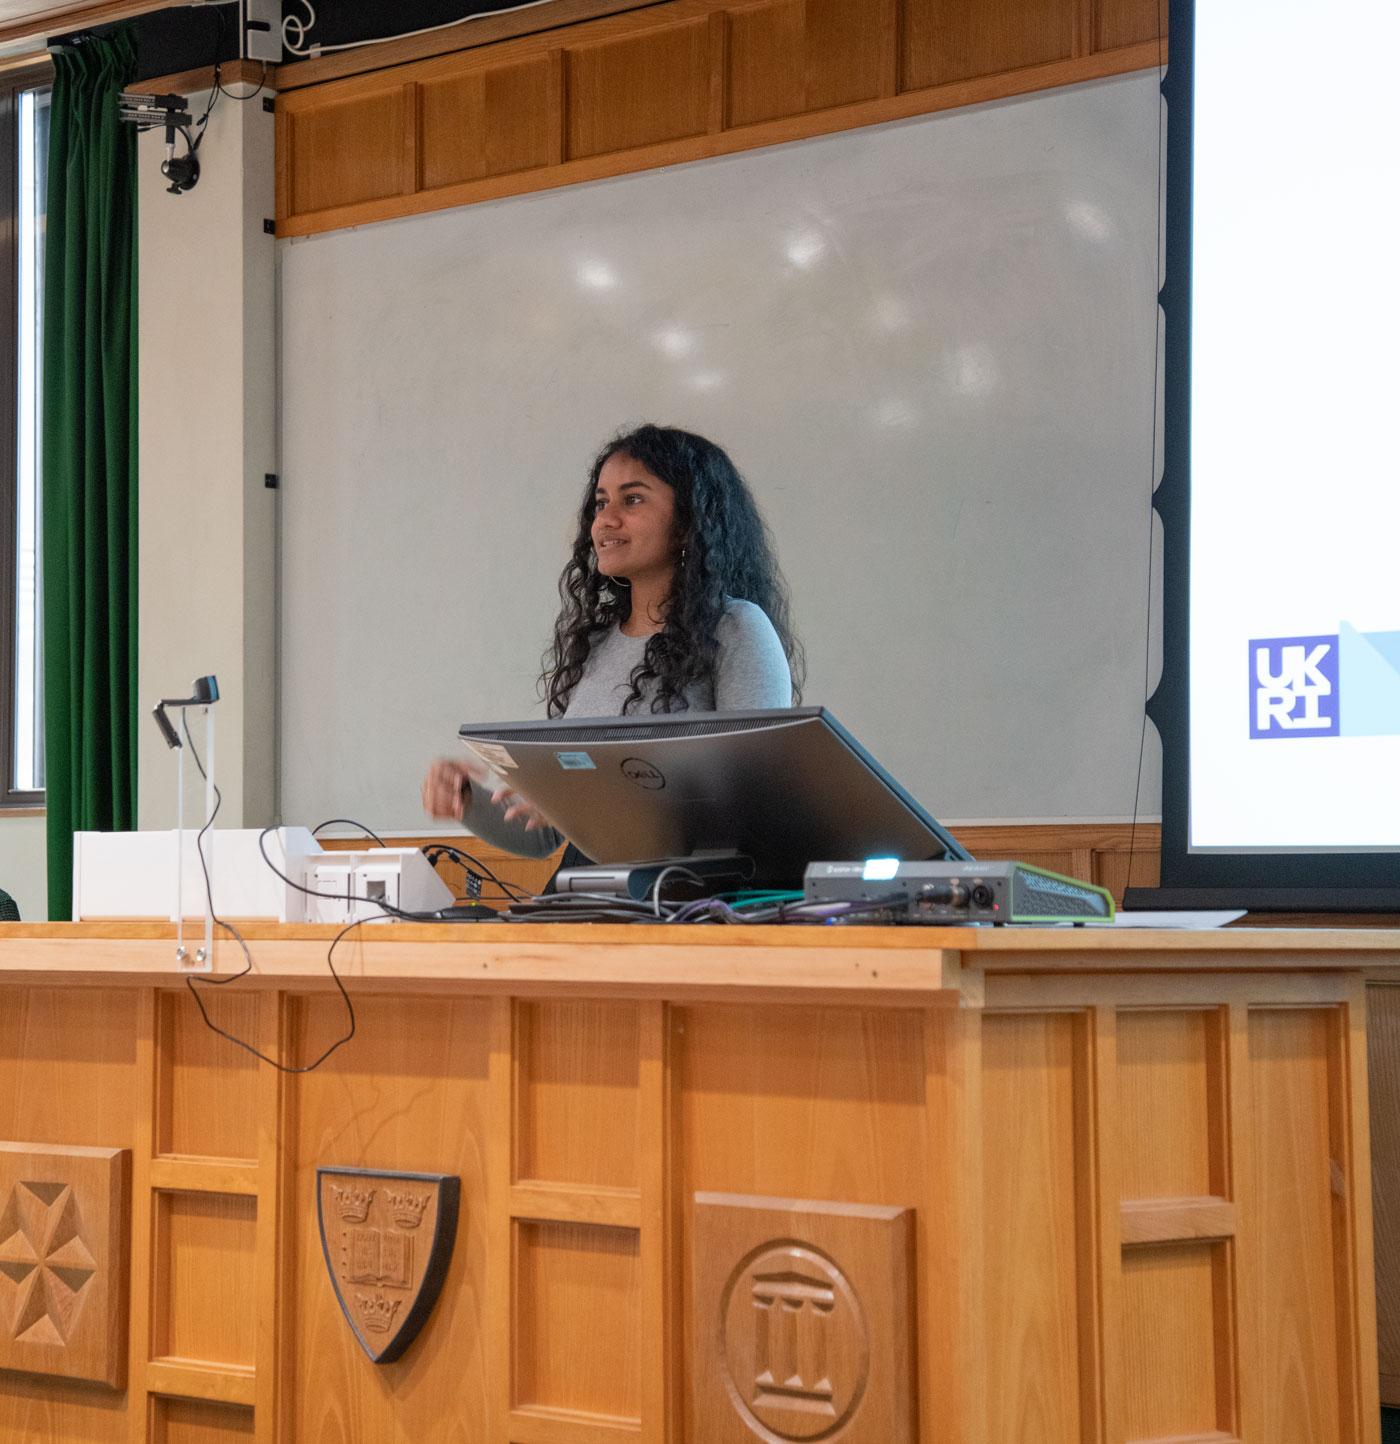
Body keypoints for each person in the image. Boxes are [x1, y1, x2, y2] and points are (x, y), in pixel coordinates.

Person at [421, 423, 804, 861]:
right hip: (583, 901)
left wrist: (601, 798)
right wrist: (466, 798)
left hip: (682, 907)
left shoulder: (737, 627)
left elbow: (754, 805)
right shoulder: (597, 646)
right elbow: (545, 839)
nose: (605, 519)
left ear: (688, 522)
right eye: (601, 503)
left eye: (632, 499)